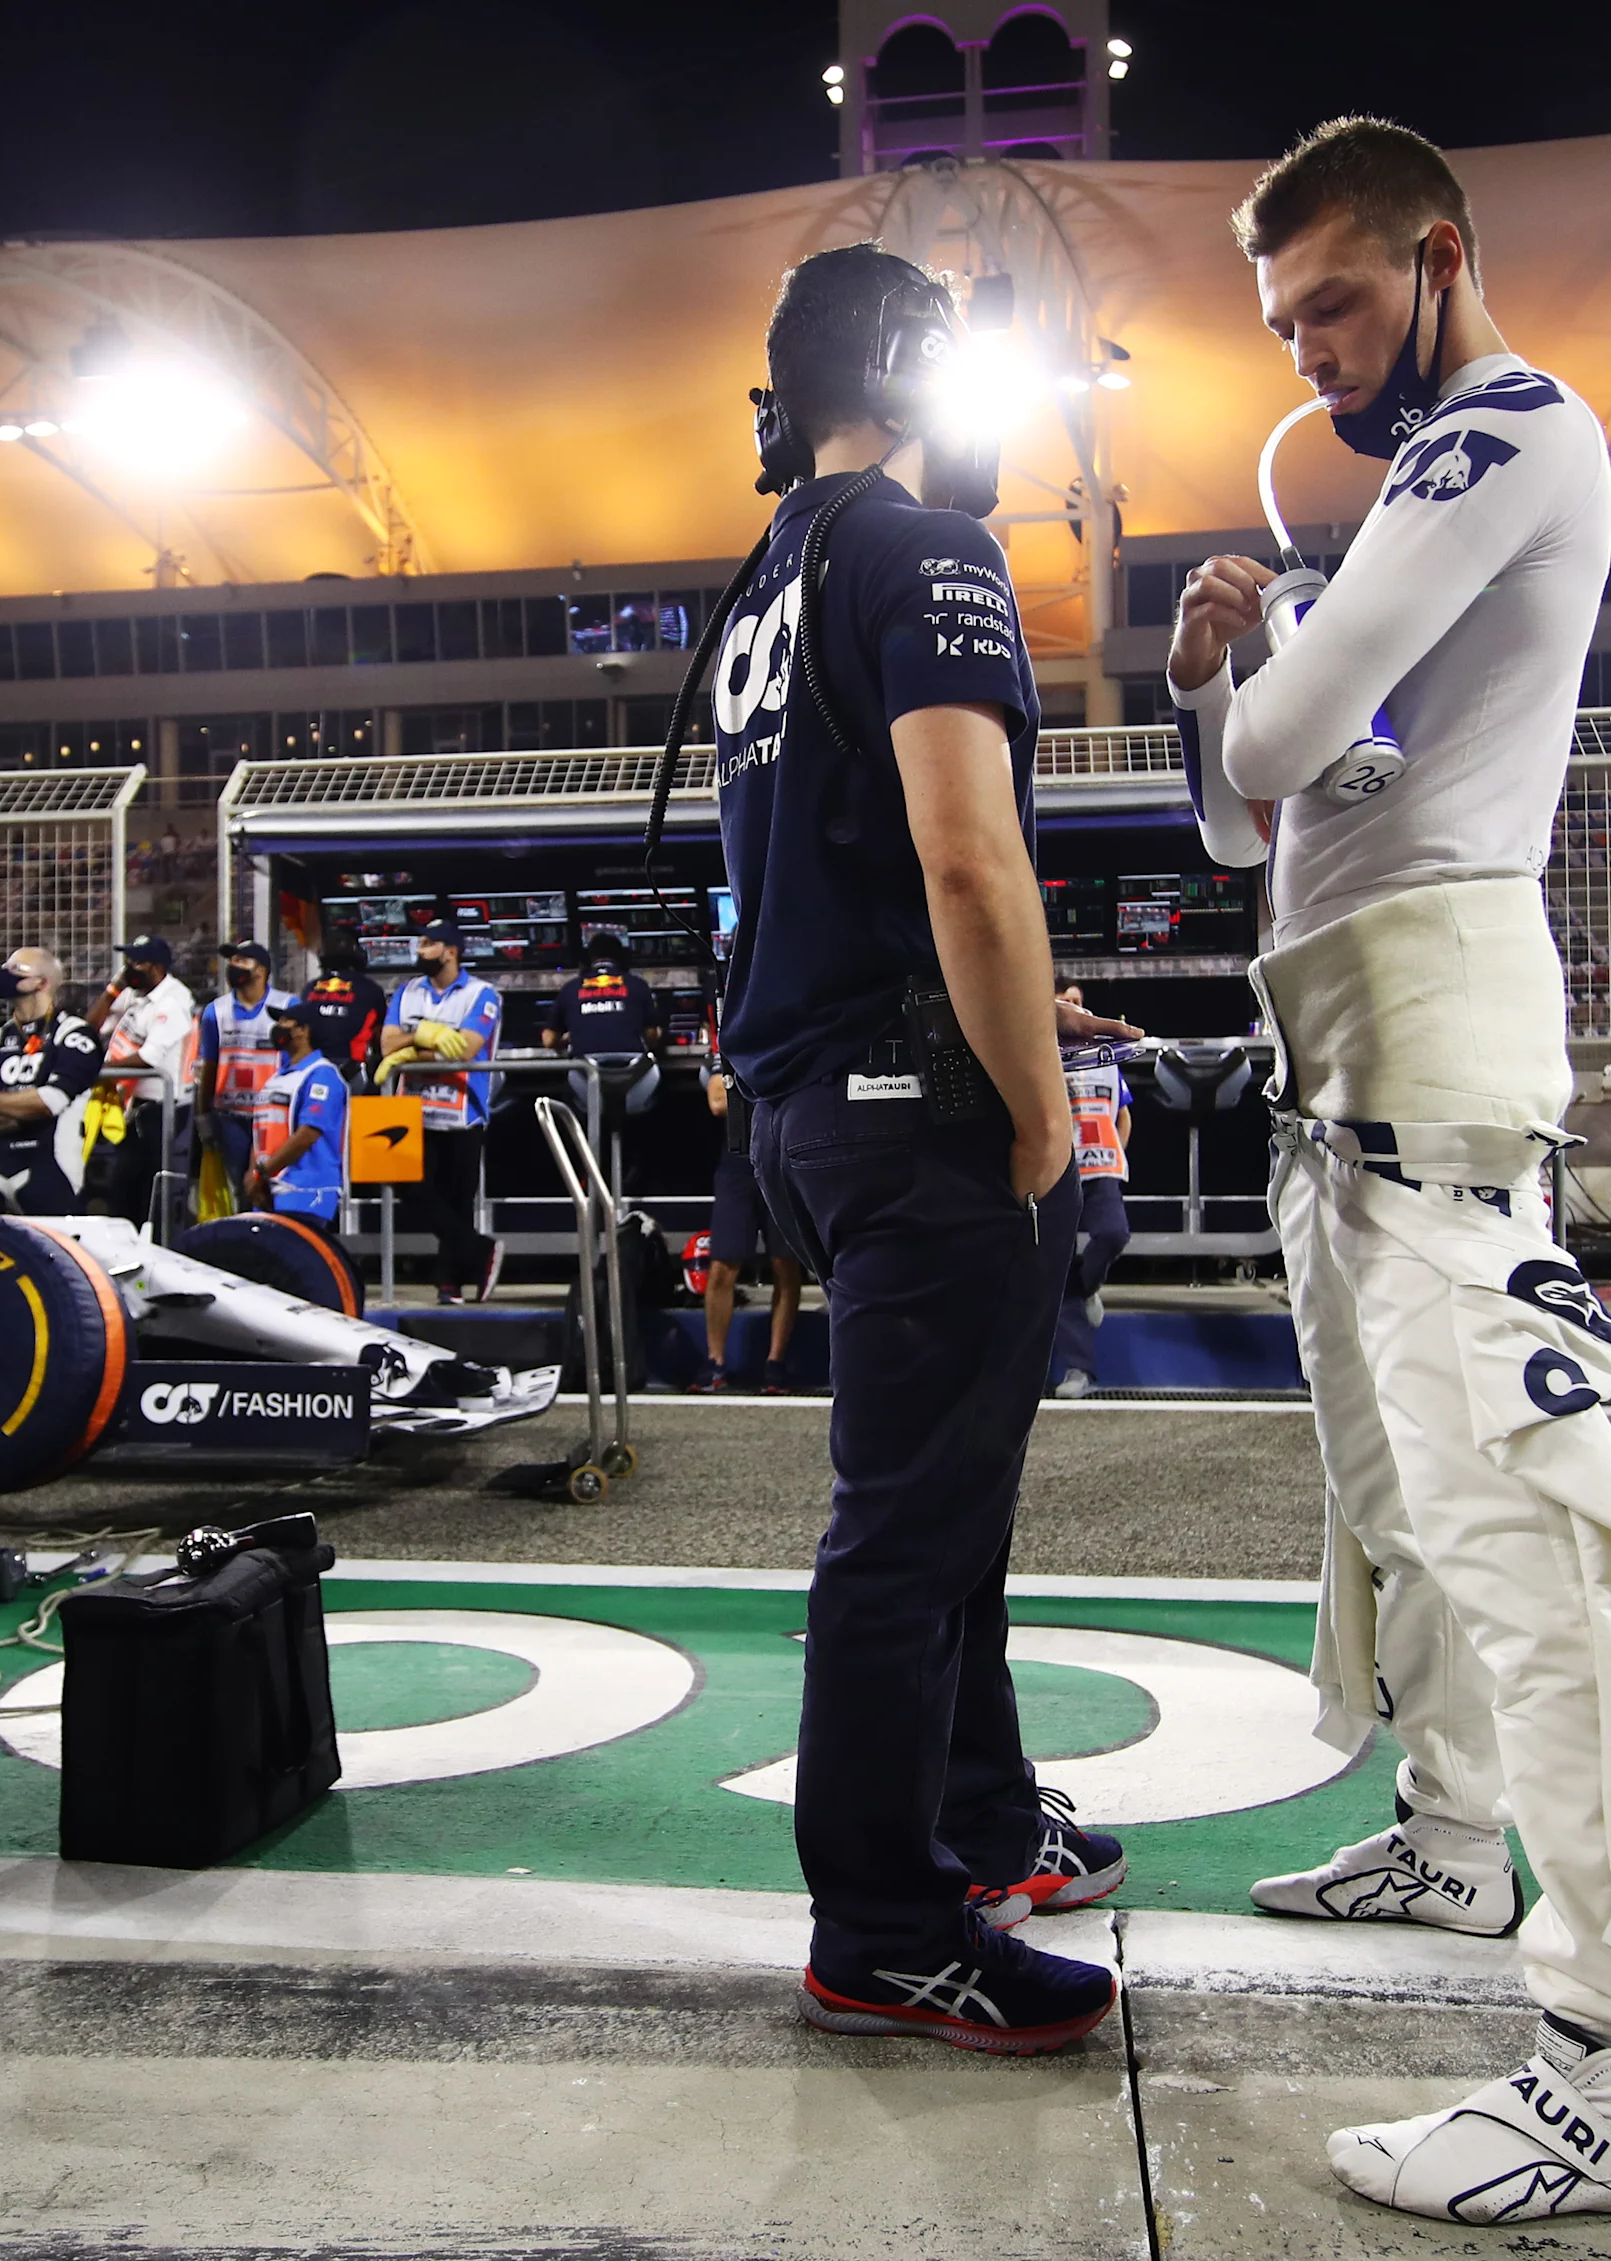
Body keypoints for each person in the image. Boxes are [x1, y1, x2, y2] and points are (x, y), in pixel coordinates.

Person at [1168, 120, 1611, 2220]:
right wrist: (1229, 670)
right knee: (1398, 1491)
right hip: (1350, 1044)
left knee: (1537, 1536)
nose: (1307, 351)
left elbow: (1284, 752)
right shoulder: (1413, 493)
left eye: (1330, 300)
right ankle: (1452, 1828)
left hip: (1435, 1039)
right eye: (1279, 318)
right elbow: (1256, 810)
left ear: (1438, 252)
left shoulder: (1499, 434)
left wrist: (1267, 676)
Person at [716, 242, 1140, 2057]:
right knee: (906, 1533)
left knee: (942, 1502)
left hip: (817, 1095)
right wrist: (1038, 1112)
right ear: (903, 364)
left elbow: (813, 875)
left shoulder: (762, 574)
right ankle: (883, 1927)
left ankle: (971, 1823)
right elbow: (966, 860)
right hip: (918, 1111)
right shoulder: (925, 548)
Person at [378, 919, 505, 1300]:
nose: (420, 951)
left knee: (457, 1200)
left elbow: (465, 1049)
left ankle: (450, 1282)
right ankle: (481, 1249)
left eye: (429, 944)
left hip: (463, 1111)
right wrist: (422, 1035)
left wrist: (409, 1050)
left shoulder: (482, 994)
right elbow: (387, 1044)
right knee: (408, 1187)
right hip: (410, 1112)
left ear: (451, 951)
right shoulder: (407, 991)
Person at [0, 945, 105, 1214]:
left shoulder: (74, 1034)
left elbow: (49, 1102)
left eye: (16, 970)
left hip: (50, 1167)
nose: (5, 975)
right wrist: (19, 1115)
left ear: (42, 982)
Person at [701, 1017, 804, 1392]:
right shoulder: (727, 1043)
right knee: (722, 1266)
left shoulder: (793, 1032)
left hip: (781, 1155)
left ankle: (775, 1364)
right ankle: (715, 1364)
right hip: (737, 1159)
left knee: (785, 1265)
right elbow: (716, 1101)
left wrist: (745, 1092)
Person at [1050, 980, 1132, 1396]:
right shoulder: (1044, 1053)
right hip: (1059, 1172)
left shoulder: (1105, 1058)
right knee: (1058, 1264)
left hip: (1102, 1169)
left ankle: (1088, 1288)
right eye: (1064, 1001)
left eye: (1078, 1001)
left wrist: (1117, 1155)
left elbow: (1123, 1113)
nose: (1072, 1006)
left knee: (1113, 1234)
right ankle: (1078, 1371)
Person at [82, 934, 196, 1225]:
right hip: (135, 1107)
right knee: (123, 1191)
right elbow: (88, 1029)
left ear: (157, 967)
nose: (129, 967)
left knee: (152, 1193)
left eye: (137, 962)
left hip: (164, 1112)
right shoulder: (136, 993)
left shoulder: (172, 1001)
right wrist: (113, 989)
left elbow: (149, 1057)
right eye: (128, 961)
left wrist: (102, 1068)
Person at [196, 939, 294, 1212]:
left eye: (241, 960)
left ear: (261, 970)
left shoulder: (285, 1005)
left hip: (274, 1113)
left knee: (273, 1183)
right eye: (232, 960)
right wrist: (203, 1114)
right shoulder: (215, 1011)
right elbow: (209, 1064)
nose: (233, 966)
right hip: (231, 1115)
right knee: (242, 1186)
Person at [243, 997, 352, 1231]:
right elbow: (261, 1131)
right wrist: (255, 1174)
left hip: (306, 1192)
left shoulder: (322, 1075)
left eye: (285, 1021)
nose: (278, 1027)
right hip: (271, 1190)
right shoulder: (278, 1077)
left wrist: (261, 1173)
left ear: (303, 1031)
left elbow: (307, 1135)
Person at [551, 948, 664, 1117]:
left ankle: (584, 1142)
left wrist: (569, 1039)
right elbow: (651, 1036)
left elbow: (549, 1040)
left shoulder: (570, 988)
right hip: (636, 1076)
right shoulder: (638, 984)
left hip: (585, 1076)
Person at [300, 946, 386, 1078]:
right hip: (353, 1071)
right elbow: (381, 1033)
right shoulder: (371, 989)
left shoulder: (310, 988)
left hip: (312, 1068)